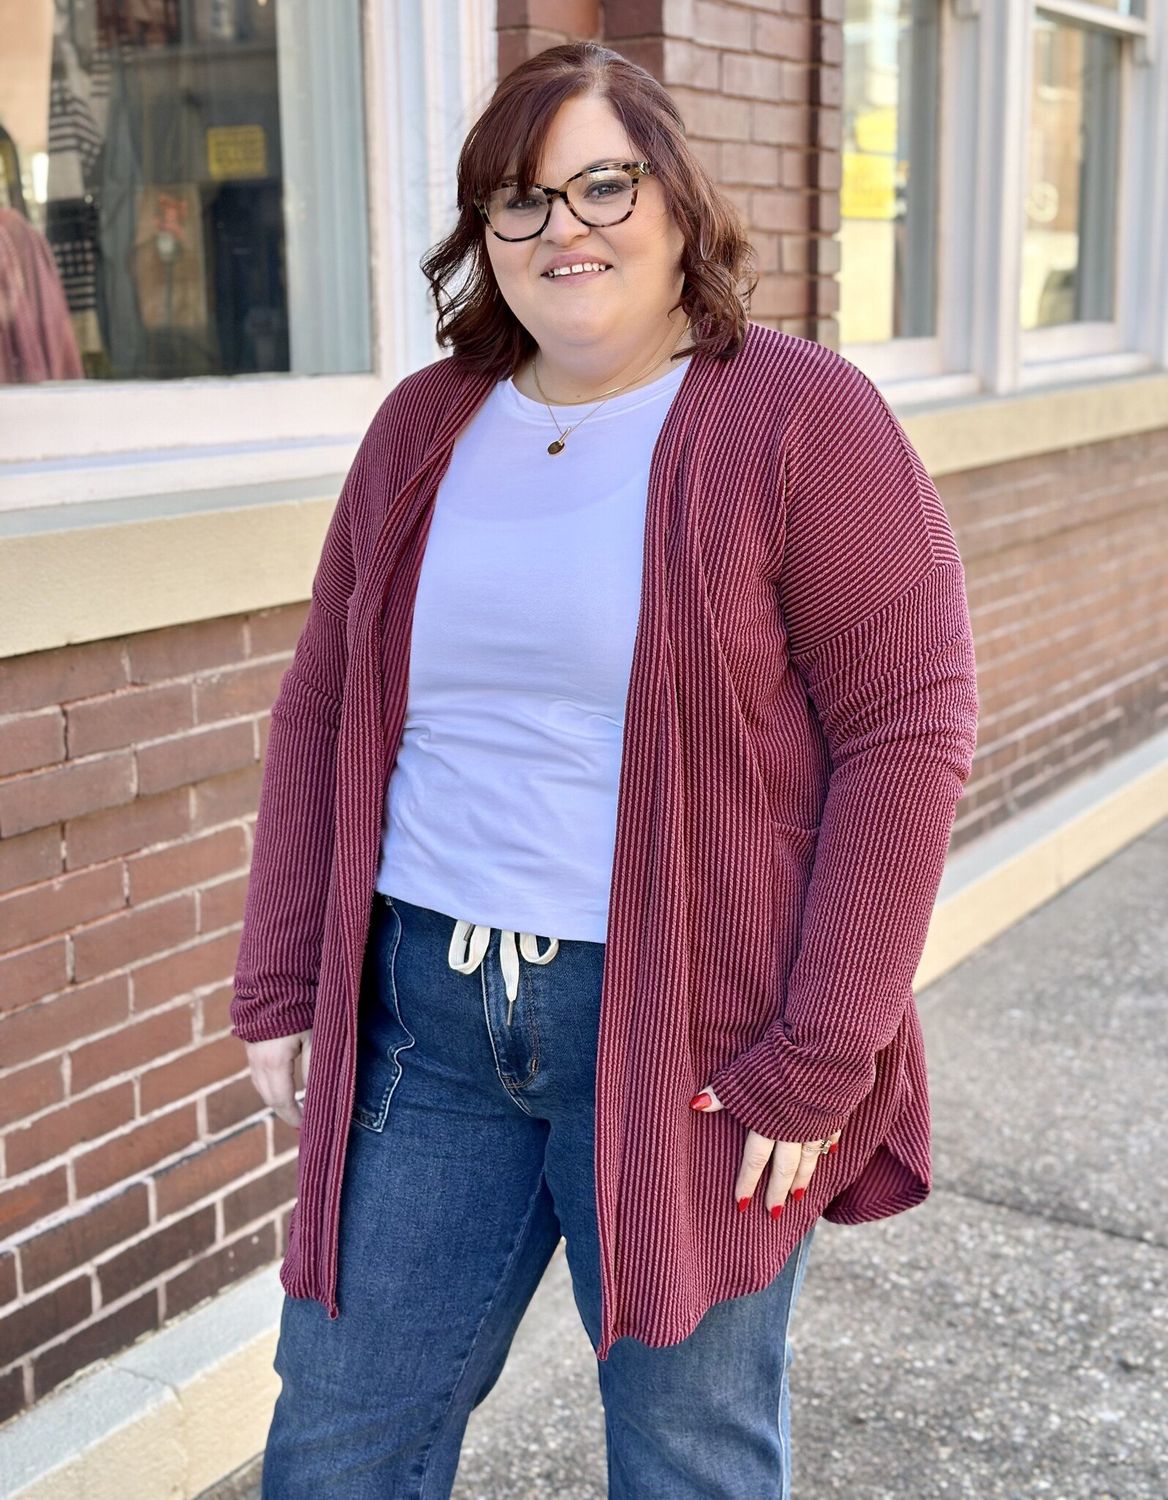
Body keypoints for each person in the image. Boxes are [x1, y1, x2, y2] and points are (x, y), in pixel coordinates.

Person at [231, 39, 979, 1500]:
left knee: (690, 1454)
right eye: (519, 200)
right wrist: (278, 976)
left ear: (680, 202)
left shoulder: (798, 416)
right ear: (484, 239)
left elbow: (908, 730)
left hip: (698, 1037)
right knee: (338, 1442)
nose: (561, 226)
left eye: (601, 183)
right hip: (424, 1023)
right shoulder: (423, 428)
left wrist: (822, 1058)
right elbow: (323, 708)